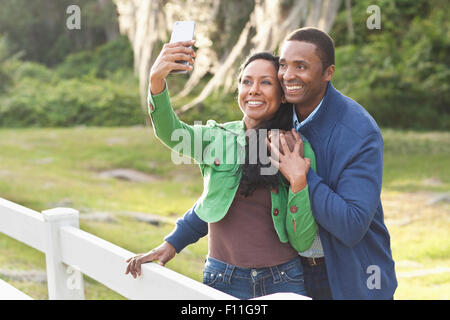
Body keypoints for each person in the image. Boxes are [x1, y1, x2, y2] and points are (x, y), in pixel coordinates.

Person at [138, 27, 398, 300]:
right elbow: (222, 197)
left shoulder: (352, 131)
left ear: (328, 73)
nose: (288, 75)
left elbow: (352, 224)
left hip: (342, 275)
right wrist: (157, 80)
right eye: (284, 66)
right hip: (287, 271)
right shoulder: (253, 133)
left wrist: (301, 177)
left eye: (301, 66)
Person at [125, 44, 319, 299]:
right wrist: (156, 80)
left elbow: (304, 240)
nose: (254, 90)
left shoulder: (295, 147)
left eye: (266, 83)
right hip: (222, 279)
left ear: (283, 94)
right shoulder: (215, 137)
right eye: (246, 82)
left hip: (283, 279)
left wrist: (298, 182)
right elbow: (171, 133)